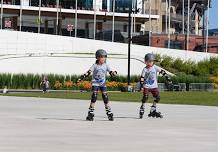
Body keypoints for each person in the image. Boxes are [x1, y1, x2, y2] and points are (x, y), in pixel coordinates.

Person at [78, 49, 117, 121]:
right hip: (95, 82)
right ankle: (90, 113)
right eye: (102, 57)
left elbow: (111, 72)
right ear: (98, 57)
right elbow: (89, 72)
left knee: (105, 97)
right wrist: (82, 77)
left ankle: (109, 112)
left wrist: (113, 73)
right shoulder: (95, 65)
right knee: (94, 96)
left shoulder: (106, 65)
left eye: (105, 57)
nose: (104, 59)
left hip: (102, 83)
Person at [139, 53, 172, 118]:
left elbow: (162, 71)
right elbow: (142, 77)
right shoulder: (145, 69)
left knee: (158, 98)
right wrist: (142, 84)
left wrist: (167, 77)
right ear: (146, 62)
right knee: (145, 97)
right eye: (150, 61)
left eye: (152, 61)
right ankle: (142, 106)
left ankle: (153, 109)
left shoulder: (155, 67)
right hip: (147, 86)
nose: (152, 63)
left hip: (154, 86)